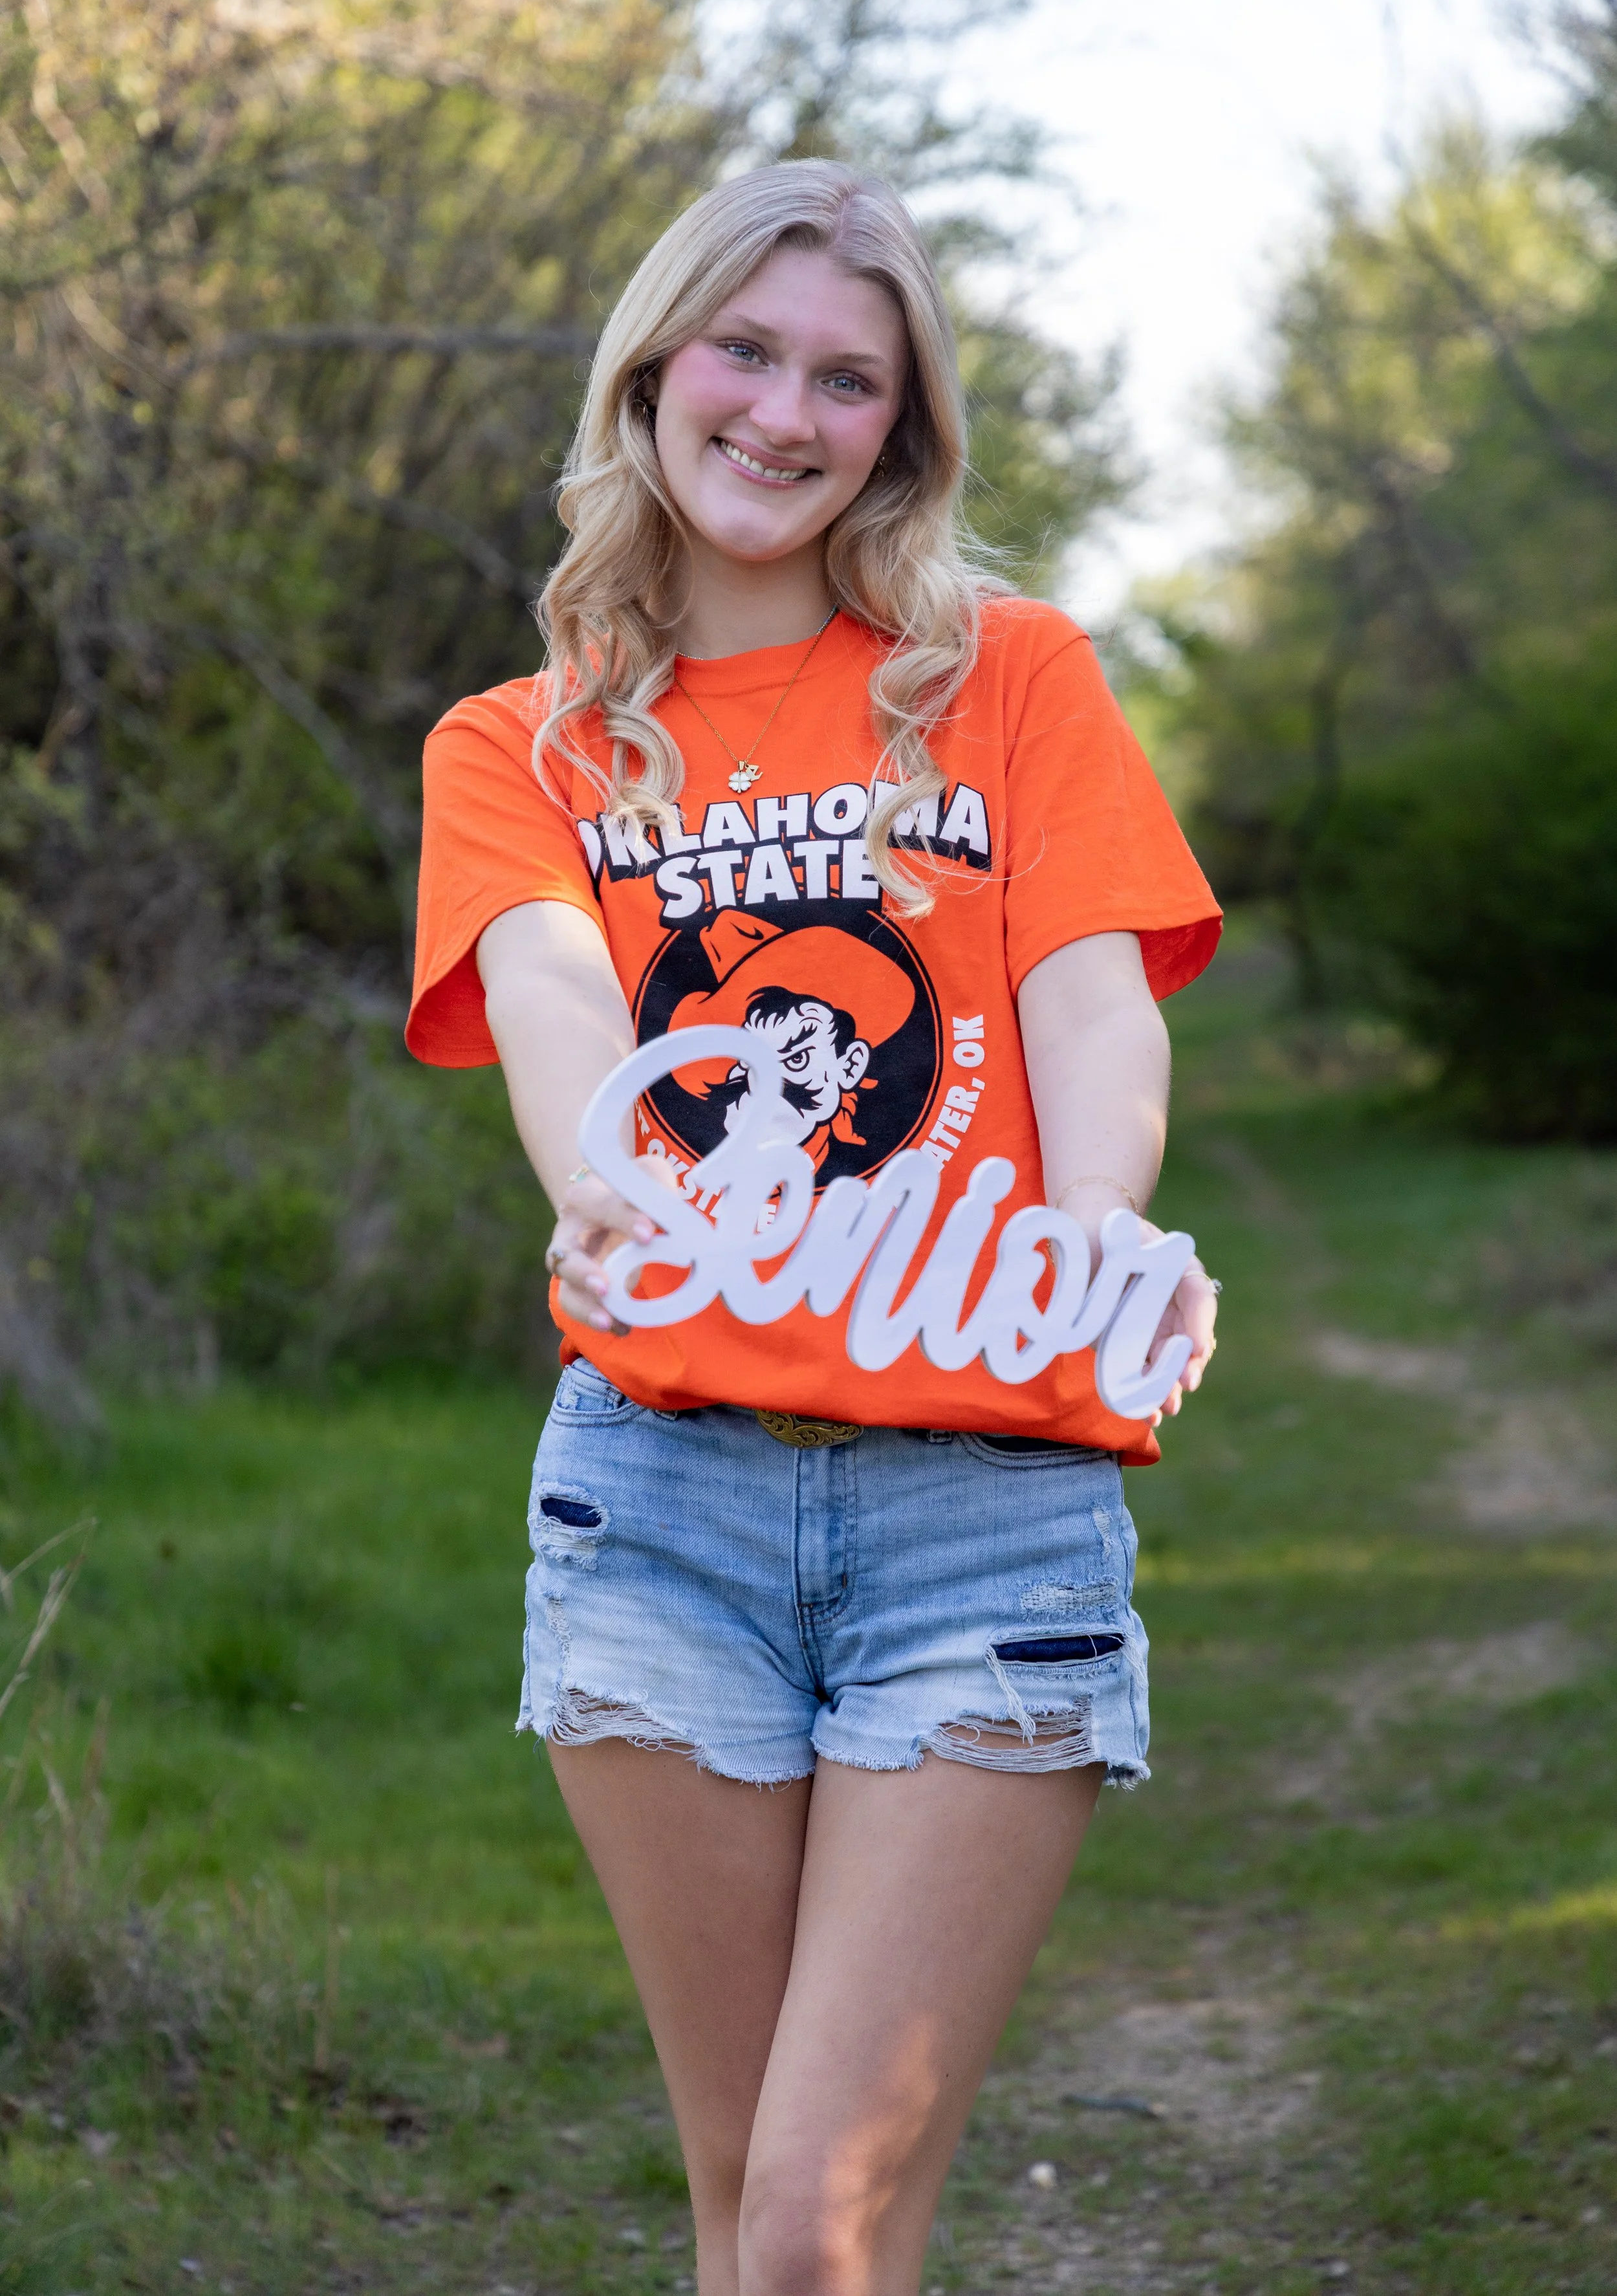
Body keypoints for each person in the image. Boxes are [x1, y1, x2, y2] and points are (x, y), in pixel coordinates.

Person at [407, 160, 1222, 2296]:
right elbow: (556, 986)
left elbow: (1086, 992)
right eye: (745, 351)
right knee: (741, 2196)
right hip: (657, 1505)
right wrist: (606, 1185)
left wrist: (1098, 1226)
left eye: (845, 378)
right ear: (655, 369)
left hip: (990, 1514)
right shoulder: (527, 743)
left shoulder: (1011, 679)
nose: (782, 411)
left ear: (903, 429)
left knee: (810, 2217)